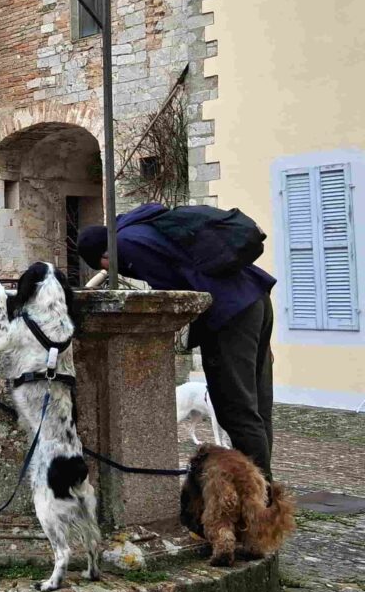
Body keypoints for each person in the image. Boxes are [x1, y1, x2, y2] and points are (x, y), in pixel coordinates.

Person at [78, 204, 277, 480]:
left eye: (103, 265)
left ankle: (258, 497)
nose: (113, 270)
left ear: (103, 255)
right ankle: (266, 490)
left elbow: (171, 294)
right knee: (257, 404)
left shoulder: (127, 244)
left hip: (230, 313)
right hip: (254, 298)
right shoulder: (141, 224)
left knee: (235, 409)